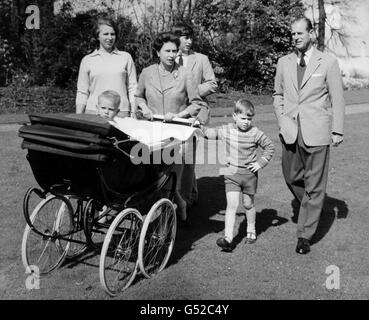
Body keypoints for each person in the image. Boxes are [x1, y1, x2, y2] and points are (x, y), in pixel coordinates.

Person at [273, 17, 345, 255]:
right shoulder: (283, 62)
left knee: (314, 184)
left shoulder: (328, 62)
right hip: (291, 130)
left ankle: (304, 235)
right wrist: (282, 118)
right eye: (292, 34)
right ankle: (314, 202)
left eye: (299, 33)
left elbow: (337, 98)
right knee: (291, 176)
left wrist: (337, 130)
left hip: (318, 131)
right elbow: (278, 94)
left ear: (311, 33)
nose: (295, 37)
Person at [134, 32, 209, 224]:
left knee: (176, 177)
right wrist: (144, 108)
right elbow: (139, 96)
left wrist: (178, 116)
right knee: (154, 176)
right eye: (167, 50)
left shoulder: (185, 73)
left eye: (174, 51)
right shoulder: (147, 72)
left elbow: (195, 104)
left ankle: (174, 215)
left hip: (179, 133)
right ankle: (157, 213)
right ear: (157, 52)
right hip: (154, 133)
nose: (171, 55)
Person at [202, 99, 275, 252]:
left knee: (248, 204)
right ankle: (228, 238)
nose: (246, 122)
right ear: (234, 116)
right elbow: (210, 133)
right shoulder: (226, 130)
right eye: (243, 118)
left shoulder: (255, 133)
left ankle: (251, 229)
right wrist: (198, 127)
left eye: (249, 119)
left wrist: (260, 163)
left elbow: (270, 147)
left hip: (249, 176)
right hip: (231, 175)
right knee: (232, 205)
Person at [172, 23, 218, 208]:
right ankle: (187, 192)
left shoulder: (201, 59)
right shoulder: (168, 57)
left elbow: (212, 84)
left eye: (191, 37)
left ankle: (186, 200)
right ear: (177, 38)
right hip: (173, 111)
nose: (189, 41)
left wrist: (192, 91)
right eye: (185, 37)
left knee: (187, 156)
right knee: (172, 155)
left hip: (195, 111)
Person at [76, 16, 137, 118]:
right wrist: (78, 116)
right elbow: (82, 91)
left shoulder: (126, 57)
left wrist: (133, 112)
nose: (110, 38)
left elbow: (133, 88)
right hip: (93, 112)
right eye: (105, 34)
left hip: (120, 112)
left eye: (112, 34)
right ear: (97, 36)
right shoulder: (87, 60)